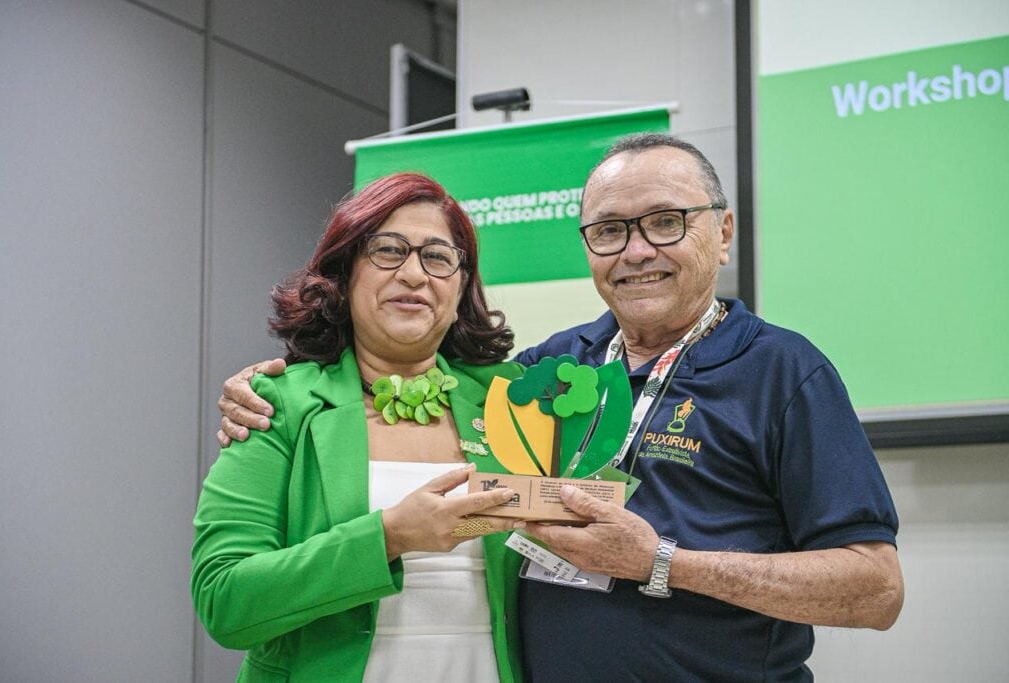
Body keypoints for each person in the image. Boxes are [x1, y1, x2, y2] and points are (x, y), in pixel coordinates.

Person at [215, 134, 904, 680]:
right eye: (609, 230)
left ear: (722, 233)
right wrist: (268, 384)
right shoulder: (539, 374)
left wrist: (662, 561)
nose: (636, 251)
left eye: (666, 222)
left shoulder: (786, 373)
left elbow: (875, 589)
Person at [192, 172, 529, 683]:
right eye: (388, 250)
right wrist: (387, 537)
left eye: (438, 257)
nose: (415, 275)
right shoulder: (278, 404)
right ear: (344, 274)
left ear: (462, 287)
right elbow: (225, 600)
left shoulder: (511, 402)